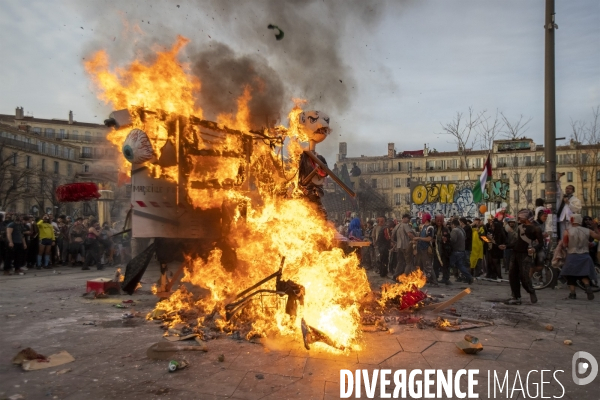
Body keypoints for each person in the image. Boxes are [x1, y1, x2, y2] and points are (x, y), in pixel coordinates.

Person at [507, 209, 543, 305]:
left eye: (520, 217)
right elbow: (516, 242)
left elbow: (541, 244)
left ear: (526, 217)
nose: (518, 219)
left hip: (525, 255)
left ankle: (531, 291)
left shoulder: (536, 229)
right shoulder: (519, 227)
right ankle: (516, 297)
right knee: (512, 276)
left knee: (524, 277)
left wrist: (534, 249)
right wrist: (506, 246)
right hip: (515, 253)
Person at [560, 214, 599, 300]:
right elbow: (598, 237)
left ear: (571, 220)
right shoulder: (587, 230)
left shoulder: (567, 231)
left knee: (570, 275)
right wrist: (596, 228)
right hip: (585, 256)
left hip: (572, 255)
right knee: (584, 274)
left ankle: (573, 294)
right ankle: (588, 287)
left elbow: (565, 244)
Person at [412, 213, 437, 285]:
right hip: (420, 249)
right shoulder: (423, 227)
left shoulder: (430, 228)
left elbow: (429, 238)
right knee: (419, 265)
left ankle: (434, 281)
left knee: (428, 266)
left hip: (426, 249)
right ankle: (422, 280)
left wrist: (419, 238)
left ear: (426, 219)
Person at [556, 176, 581, 240]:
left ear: (573, 191)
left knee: (570, 234)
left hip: (570, 220)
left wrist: (568, 203)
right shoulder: (562, 196)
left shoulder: (576, 200)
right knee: (562, 234)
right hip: (562, 219)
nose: (567, 189)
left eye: (570, 188)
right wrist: (558, 179)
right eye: (567, 188)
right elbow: (558, 189)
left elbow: (577, 209)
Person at [449, 219, 473, 284]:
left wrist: (448, 240)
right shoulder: (462, 230)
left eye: (451, 225)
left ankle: (446, 278)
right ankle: (469, 277)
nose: (451, 226)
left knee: (449, 264)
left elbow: (453, 240)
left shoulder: (455, 230)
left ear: (453, 224)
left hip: (456, 251)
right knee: (460, 266)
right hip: (462, 251)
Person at [485, 210, 507, 280]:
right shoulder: (491, 231)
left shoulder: (499, 233)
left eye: (493, 225)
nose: (492, 226)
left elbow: (502, 241)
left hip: (497, 249)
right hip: (492, 249)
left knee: (496, 262)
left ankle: (499, 276)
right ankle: (493, 275)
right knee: (491, 262)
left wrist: (493, 241)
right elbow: (484, 237)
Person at [393, 214, 415, 278]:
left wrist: (395, 243)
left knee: (400, 262)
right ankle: (405, 277)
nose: (409, 220)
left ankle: (395, 276)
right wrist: (415, 239)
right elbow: (409, 234)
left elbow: (392, 236)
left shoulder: (397, 226)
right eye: (408, 218)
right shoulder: (405, 225)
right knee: (409, 263)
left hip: (399, 246)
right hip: (406, 246)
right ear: (404, 218)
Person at [432, 214, 452, 285]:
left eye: (440, 221)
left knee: (445, 265)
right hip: (436, 250)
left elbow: (449, 239)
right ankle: (435, 277)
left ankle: (446, 278)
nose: (439, 222)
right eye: (438, 221)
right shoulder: (433, 228)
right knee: (435, 265)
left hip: (444, 250)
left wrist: (445, 240)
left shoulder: (446, 229)